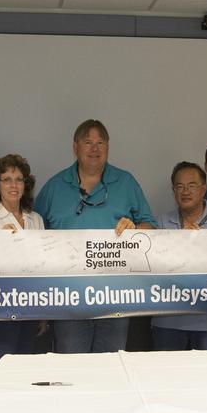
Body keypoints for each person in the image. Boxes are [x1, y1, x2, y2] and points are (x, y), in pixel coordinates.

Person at [35, 119, 156, 353]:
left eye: (101, 143)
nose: (95, 149)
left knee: (111, 364)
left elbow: (150, 225)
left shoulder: (126, 182)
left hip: (116, 294)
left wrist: (135, 230)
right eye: (88, 142)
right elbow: (35, 231)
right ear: (75, 147)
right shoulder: (55, 186)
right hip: (68, 295)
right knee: (71, 364)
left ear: (108, 147)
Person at [152, 161, 207, 350]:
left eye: (191, 185)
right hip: (167, 320)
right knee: (167, 376)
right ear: (173, 191)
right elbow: (154, 268)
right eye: (179, 186)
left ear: (203, 189)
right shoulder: (162, 222)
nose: (185, 191)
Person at [0, 154, 47, 370]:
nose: (13, 185)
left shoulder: (36, 219)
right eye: (6, 179)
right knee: (0, 371)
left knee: (24, 373)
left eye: (19, 179)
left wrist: (44, 313)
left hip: (30, 307)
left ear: (26, 184)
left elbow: (43, 265)